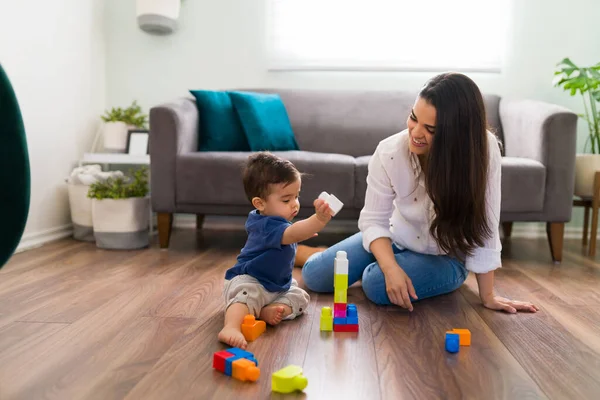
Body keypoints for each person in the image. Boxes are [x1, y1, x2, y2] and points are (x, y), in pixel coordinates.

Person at [300, 72, 539, 314]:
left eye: (430, 129)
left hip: (446, 257)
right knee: (314, 275)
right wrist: (391, 266)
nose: (415, 133)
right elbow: (374, 220)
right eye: (413, 118)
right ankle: (360, 259)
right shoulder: (389, 152)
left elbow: (485, 223)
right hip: (396, 238)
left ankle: (397, 269)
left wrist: (488, 295)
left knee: (375, 284)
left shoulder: (483, 150)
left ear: (456, 134)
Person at [219, 152, 334, 349]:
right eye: (286, 200)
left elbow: (292, 233)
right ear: (260, 203)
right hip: (250, 281)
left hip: (277, 285)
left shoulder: (278, 222)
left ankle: (265, 310)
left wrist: (300, 233)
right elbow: (292, 232)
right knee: (245, 297)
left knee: (300, 297)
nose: (295, 203)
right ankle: (231, 326)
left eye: (297, 196)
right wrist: (319, 220)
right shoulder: (265, 225)